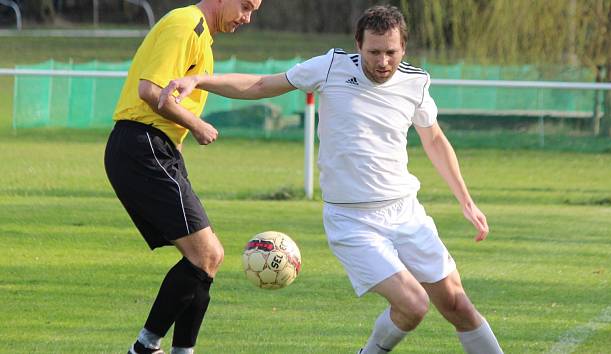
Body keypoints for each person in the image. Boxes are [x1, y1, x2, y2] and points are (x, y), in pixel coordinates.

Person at [158, 5, 503, 354]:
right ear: (358, 45)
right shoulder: (330, 66)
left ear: (404, 49)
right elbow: (261, 84)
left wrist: (466, 200)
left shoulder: (415, 82)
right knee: (414, 305)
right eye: (374, 52)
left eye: (391, 52)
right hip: (353, 221)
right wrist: (200, 79)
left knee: (458, 305)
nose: (383, 61)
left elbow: (435, 140)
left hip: (406, 213)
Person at [104, 1, 262, 353]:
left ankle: (179, 350)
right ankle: (145, 347)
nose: (247, 18)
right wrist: (197, 125)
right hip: (142, 145)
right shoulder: (186, 23)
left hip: (154, 149)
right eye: (246, 6)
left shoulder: (203, 38)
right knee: (206, 255)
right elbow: (149, 90)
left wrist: (178, 143)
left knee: (208, 259)